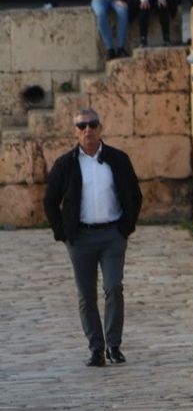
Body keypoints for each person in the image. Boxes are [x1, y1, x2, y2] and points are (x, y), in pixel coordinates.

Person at [42, 107, 143, 368]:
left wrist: (126, 227)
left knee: (114, 287)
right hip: (81, 237)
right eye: (82, 126)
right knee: (86, 296)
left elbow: (134, 194)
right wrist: (62, 233)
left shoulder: (118, 159)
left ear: (100, 128)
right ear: (75, 131)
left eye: (92, 124)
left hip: (112, 235)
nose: (88, 130)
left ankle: (114, 345)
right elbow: (50, 201)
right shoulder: (66, 164)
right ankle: (96, 348)